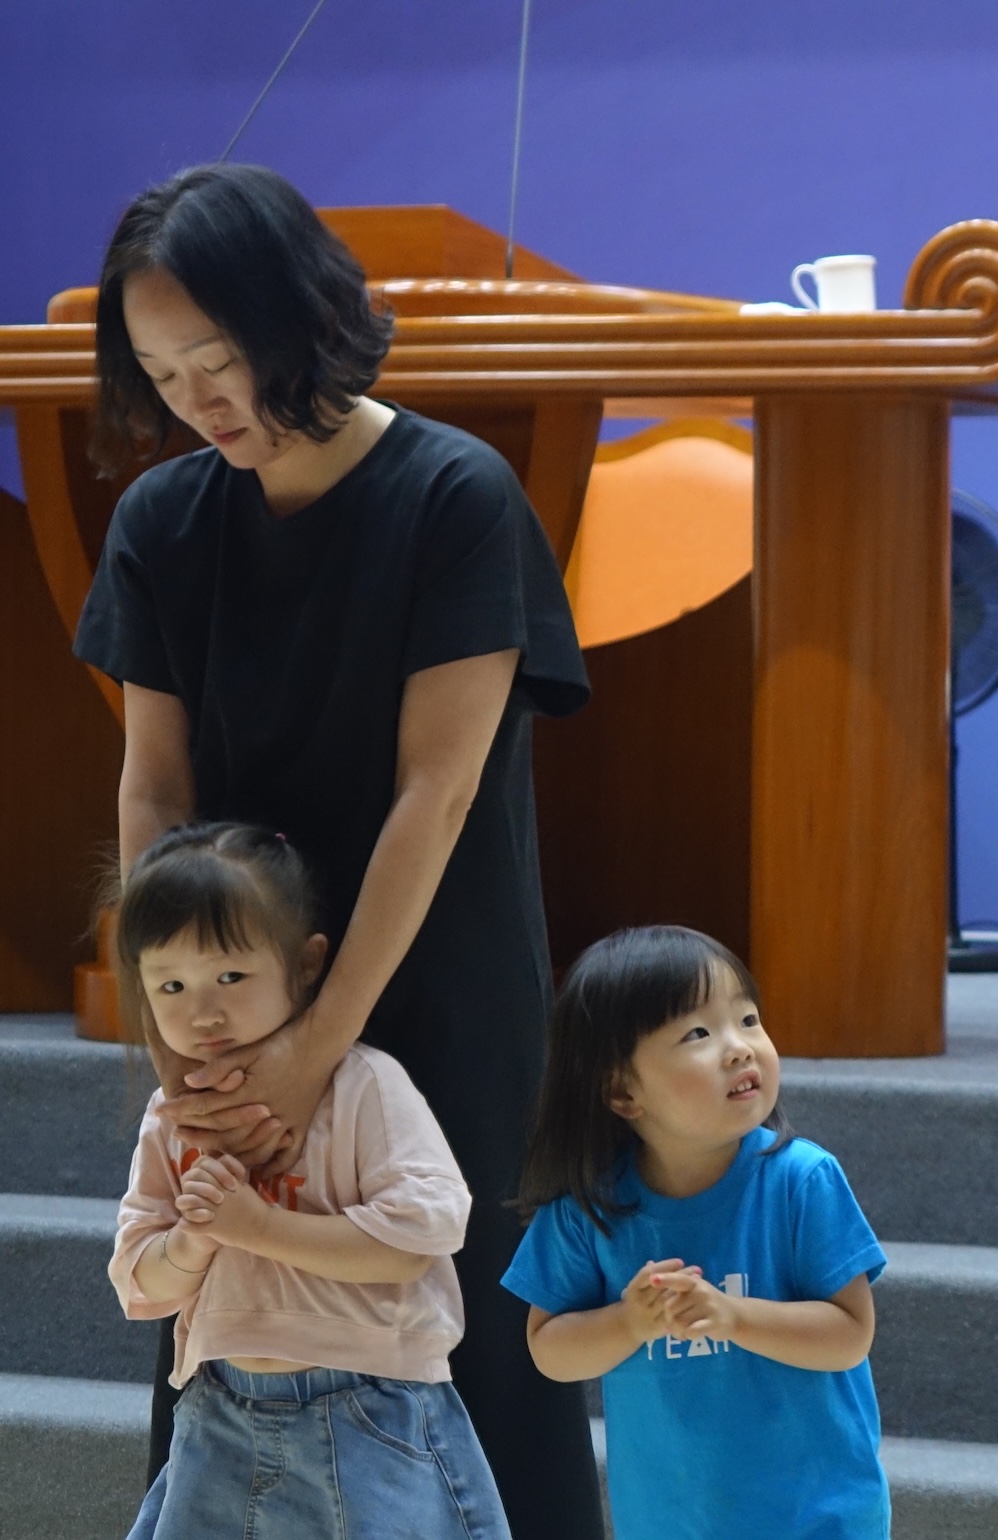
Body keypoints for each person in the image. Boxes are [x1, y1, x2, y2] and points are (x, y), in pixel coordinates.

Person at [71, 162, 598, 1533]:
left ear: (295, 316)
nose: (197, 400)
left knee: (473, 1343)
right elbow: (152, 788)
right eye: (162, 374)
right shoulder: (162, 522)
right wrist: (181, 1031)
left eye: (218, 360)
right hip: (231, 998)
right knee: (231, 1335)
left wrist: (318, 1043)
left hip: (431, 976)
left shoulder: (455, 495)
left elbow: (437, 792)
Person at [109, 823, 504, 1540]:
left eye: (231, 977)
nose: (203, 1010)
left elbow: (421, 1235)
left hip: (370, 1409)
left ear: (307, 962)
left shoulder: (364, 1084)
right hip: (219, 1410)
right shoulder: (173, 1117)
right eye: (171, 985)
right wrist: (193, 1242)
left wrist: (259, 1227)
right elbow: (139, 1283)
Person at [503, 926, 888, 1540]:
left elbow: (849, 1335)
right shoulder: (589, 1207)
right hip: (667, 1520)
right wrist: (628, 1323)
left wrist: (733, 1316)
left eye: (748, 1019)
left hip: (815, 1515)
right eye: (698, 1034)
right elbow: (549, 1350)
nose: (739, 1048)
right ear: (622, 1090)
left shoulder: (802, 1180)